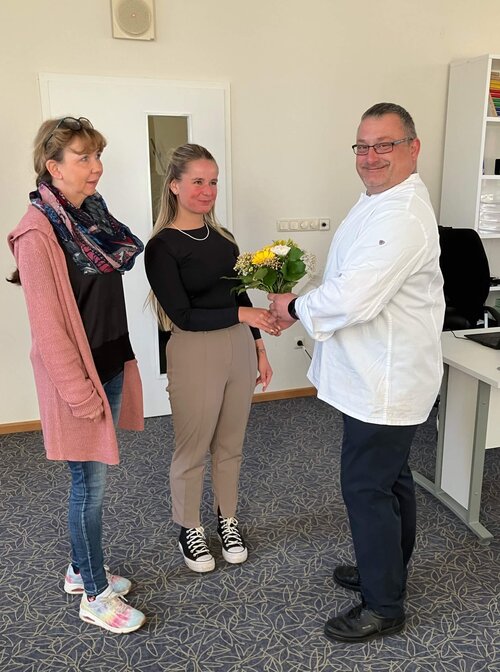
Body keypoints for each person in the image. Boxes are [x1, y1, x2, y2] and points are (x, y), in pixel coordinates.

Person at [269, 103, 445, 643]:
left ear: (413, 148)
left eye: (385, 145)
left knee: (367, 488)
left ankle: (384, 605)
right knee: (391, 480)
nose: (371, 157)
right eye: (363, 146)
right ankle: (385, 570)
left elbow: (355, 297)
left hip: (385, 380)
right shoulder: (379, 199)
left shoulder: (402, 214)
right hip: (373, 374)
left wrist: (293, 306)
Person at [7, 117, 146, 634]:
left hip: (108, 361)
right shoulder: (37, 233)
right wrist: (81, 396)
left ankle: (78, 569)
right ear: (54, 166)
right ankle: (93, 595)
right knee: (88, 486)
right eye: (83, 157)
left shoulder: (91, 215)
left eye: (97, 155)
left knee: (90, 481)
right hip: (78, 381)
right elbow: (48, 330)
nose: (96, 167)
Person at [145, 143, 278, 573]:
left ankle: (227, 519)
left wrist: (259, 347)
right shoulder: (162, 247)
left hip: (239, 347)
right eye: (198, 181)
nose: (207, 190)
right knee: (193, 447)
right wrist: (243, 315)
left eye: (213, 181)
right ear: (175, 186)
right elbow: (182, 315)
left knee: (230, 444)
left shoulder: (224, 239)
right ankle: (189, 526)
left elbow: (240, 296)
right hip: (194, 349)